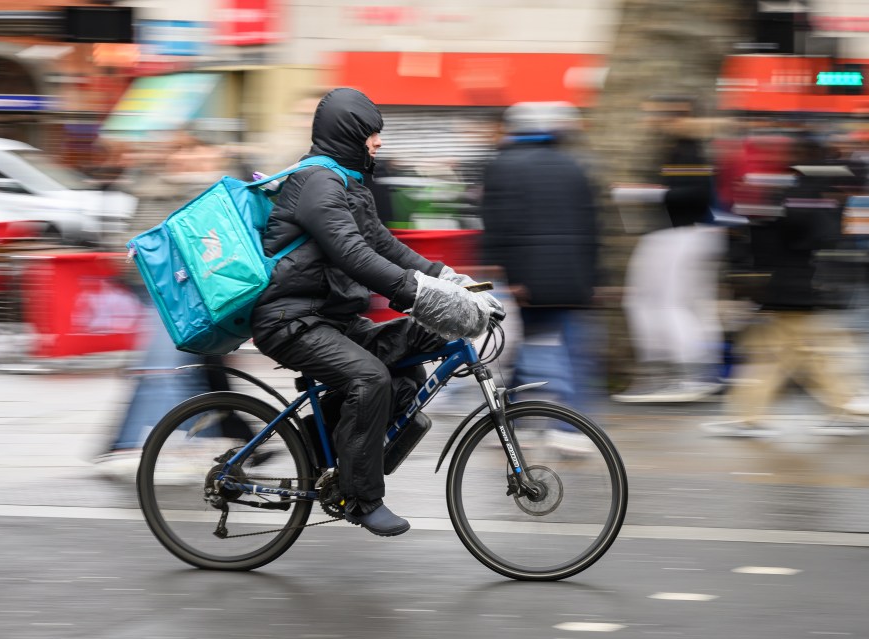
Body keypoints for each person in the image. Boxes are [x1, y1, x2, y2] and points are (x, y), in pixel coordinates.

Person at [249, 87, 499, 537]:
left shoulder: (346, 183)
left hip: (332, 319)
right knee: (370, 379)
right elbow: (352, 254)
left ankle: (320, 443)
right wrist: (419, 295)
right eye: (371, 133)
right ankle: (361, 498)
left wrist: (451, 279)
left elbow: (383, 244)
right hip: (291, 320)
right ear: (348, 134)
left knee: (417, 351)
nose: (378, 142)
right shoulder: (315, 183)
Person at [703, 134, 869, 436]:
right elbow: (827, 240)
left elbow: (769, 240)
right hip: (805, 289)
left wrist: (750, 273)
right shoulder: (818, 197)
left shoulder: (786, 195)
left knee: (780, 356)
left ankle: (751, 418)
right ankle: (841, 409)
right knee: (801, 355)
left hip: (789, 289)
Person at [478, 101, 602, 455]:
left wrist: (506, 274)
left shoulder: (502, 165)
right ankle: (568, 428)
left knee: (522, 349)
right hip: (574, 277)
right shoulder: (576, 166)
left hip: (528, 279)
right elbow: (592, 224)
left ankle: (514, 422)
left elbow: (498, 225)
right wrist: (594, 277)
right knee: (574, 352)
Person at [612, 96, 726, 403]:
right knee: (665, 303)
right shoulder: (684, 146)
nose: (650, 120)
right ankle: (682, 374)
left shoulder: (687, 148)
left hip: (681, 234)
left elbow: (695, 195)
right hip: (683, 234)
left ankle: (682, 375)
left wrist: (650, 194)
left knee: (663, 304)